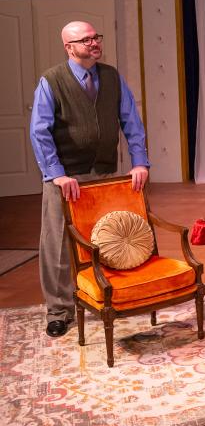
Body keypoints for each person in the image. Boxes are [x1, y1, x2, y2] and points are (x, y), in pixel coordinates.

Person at [29, 21, 150, 338]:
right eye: (86, 40)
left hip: (104, 173)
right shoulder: (52, 81)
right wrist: (57, 174)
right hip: (66, 177)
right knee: (59, 246)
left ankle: (103, 298)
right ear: (69, 47)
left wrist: (139, 162)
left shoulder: (111, 76)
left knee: (106, 239)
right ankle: (59, 310)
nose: (94, 43)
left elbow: (131, 123)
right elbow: (39, 132)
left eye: (96, 37)